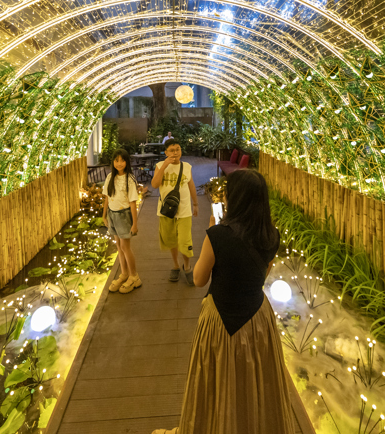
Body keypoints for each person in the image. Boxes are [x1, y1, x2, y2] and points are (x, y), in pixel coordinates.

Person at [153, 169, 296, 434]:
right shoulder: (271, 235)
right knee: (254, 378)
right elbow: (262, 276)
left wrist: (211, 233)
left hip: (220, 320)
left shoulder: (218, 235)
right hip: (257, 318)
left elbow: (198, 280)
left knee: (217, 377)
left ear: (235, 199)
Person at [151, 139, 199, 284]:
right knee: (171, 240)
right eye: (171, 150)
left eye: (177, 149)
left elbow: (191, 186)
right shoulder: (160, 166)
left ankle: (187, 267)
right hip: (166, 211)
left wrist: (195, 203)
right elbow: (154, 184)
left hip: (184, 210)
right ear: (165, 152)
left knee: (185, 241)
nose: (175, 153)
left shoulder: (186, 167)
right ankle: (175, 266)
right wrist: (165, 164)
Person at [102, 149, 141, 294]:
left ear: (127, 162)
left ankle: (134, 276)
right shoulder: (110, 177)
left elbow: (132, 203)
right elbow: (106, 197)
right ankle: (124, 273)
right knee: (118, 245)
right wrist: (104, 215)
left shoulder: (129, 179)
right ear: (113, 162)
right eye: (116, 160)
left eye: (122, 160)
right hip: (112, 214)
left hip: (124, 215)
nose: (119, 163)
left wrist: (135, 224)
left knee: (125, 246)